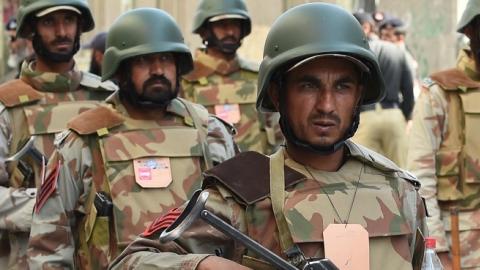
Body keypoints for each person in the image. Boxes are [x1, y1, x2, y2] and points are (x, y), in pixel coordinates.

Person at [110, 3, 427, 270]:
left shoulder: (398, 189)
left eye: (342, 86)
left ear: (359, 93)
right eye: (308, 86)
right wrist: (202, 265)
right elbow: (132, 261)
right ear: (277, 93)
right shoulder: (242, 194)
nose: (326, 106)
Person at [27, 8, 238, 270]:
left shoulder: (211, 133)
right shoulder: (82, 141)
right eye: (143, 61)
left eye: (165, 58)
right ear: (120, 68)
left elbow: (242, 226)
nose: (158, 70)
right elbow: (49, 246)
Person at [0, 0, 117, 268]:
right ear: (31, 29)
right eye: (49, 22)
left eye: (68, 20)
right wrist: (52, 205)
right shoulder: (6, 105)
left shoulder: (107, 97)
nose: (62, 31)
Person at [407, 0, 480, 268]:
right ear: (471, 30)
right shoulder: (439, 93)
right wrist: (436, 252)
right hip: (461, 251)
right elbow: (420, 179)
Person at [181, 0, 280, 154]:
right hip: (208, 174)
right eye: (222, 25)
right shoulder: (186, 81)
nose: (230, 32)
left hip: (259, 173)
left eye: (235, 25)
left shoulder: (258, 76)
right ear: (204, 30)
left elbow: (277, 132)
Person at [352, 12, 414, 167]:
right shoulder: (397, 51)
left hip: (364, 117)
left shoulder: (357, 53)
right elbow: (408, 90)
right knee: (401, 173)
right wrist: (404, 115)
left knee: (363, 174)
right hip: (393, 116)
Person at [3, 17, 33, 81]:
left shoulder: (34, 64)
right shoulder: (9, 69)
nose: (10, 44)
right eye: (8, 39)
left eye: (13, 39)